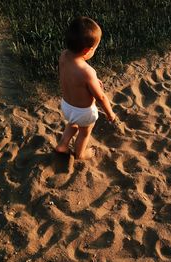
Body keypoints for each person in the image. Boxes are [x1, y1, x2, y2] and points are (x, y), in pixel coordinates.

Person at [55, 16, 116, 160]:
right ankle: (81, 154)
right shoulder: (88, 72)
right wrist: (110, 114)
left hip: (66, 106)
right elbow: (100, 97)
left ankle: (62, 145)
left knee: (72, 123)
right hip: (84, 113)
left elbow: (71, 78)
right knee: (84, 133)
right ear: (87, 50)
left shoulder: (63, 56)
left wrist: (91, 81)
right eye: (95, 48)